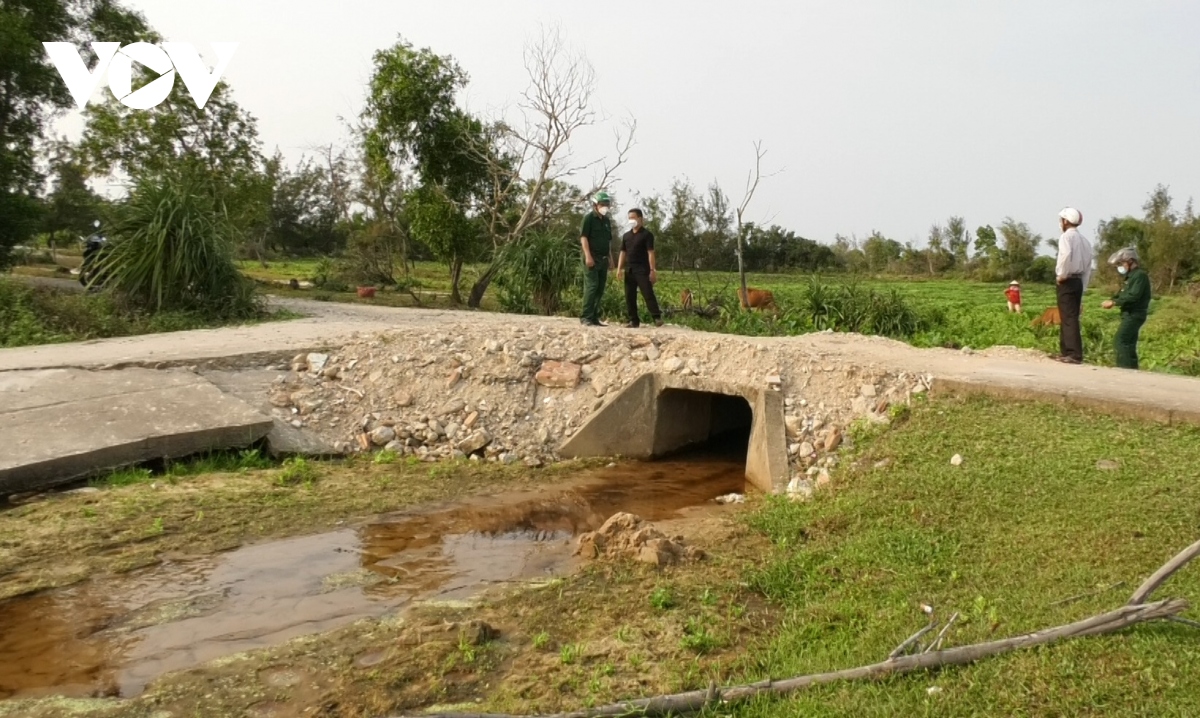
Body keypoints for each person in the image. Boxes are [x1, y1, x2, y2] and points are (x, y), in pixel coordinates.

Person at [1053, 207, 1094, 364]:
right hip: (1078, 281)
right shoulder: (1085, 241)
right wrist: (1083, 288)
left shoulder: (1066, 238)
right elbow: (1088, 267)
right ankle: (1066, 351)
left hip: (1068, 280)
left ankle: (1073, 353)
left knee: (1068, 317)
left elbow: (1065, 255)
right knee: (1070, 316)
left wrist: (1061, 275)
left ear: (1065, 221)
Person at [1101, 247, 1151, 370]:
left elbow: (1134, 296)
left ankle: (1124, 369)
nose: (1121, 266)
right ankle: (1132, 370)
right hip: (1129, 313)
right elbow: (1122, 294)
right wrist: (1113, 299)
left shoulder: (1140, 276)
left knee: (1121, 340)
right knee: (1129, 343)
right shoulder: (1130, 277)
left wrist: (1114, 302)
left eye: (1122, 263)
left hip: (1134, 314)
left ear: (1131, 261)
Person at [616, 208, 663, 328]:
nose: (631, 220)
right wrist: (619, 268)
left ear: (640, 219)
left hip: (642, 269)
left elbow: (650, 253)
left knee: (648, 293)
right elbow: (623, 252)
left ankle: (656, 317)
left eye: (633, 218)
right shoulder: (626, 236)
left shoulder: (647, 235)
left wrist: (652, 270)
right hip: (629, 269)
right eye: (629, 218)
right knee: (629, 296)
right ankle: (633, 320)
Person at [579, 191, 614, 327]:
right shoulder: (588, 218)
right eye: (602, 204)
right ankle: (585, 317)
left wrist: (611, 258)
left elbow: (608, 241)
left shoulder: (606, 221)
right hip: (592, 257)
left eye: (607, 204)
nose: (605, 206)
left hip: (604, 258)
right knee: (592, 286)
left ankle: (594, 317)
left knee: (600, 288)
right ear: (595, 205)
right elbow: (584, 238)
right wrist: (588, 256)